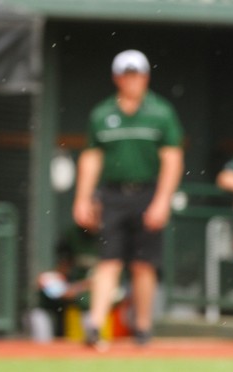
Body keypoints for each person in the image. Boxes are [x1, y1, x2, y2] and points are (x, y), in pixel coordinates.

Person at [73, 49, 184, 348]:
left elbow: (172, 158)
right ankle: (96, 326)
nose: (131, 80)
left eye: (136, 74)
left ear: (146, 77)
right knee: (108, 261)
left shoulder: (161, 112)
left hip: (148, 193)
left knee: (143, 265)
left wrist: (162, 200)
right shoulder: (102, 113)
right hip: (112, 194)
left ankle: (143, 327)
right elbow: (92, 157)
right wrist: (82, 197)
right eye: (126, 74)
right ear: (116, 77)